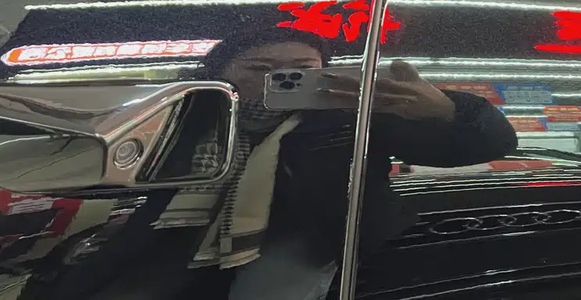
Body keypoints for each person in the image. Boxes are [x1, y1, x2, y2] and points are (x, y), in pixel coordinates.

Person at [183, 26, 518, 300]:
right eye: (259, 68)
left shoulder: (351, 119)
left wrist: (448, 109)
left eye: (304, 69)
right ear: (220, 73)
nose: (283, 77)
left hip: (311, 244)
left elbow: (489, 145)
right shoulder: (188, 117)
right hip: (185, 240)